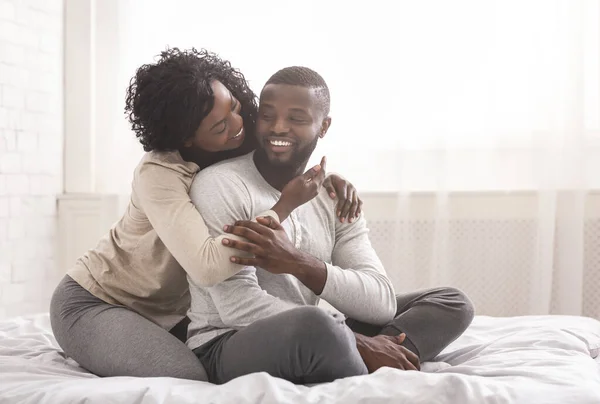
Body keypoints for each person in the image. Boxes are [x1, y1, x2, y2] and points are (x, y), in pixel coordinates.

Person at [49, 48, 363, 381]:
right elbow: (209, 266)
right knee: (187, 377)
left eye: (236, 108)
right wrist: (283, 207)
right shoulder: (158, 174)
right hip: (101, 302)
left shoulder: (234, 137)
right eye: (220, 126)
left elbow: (287, 151)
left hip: (172, 313)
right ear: (188, 136)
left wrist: (329, 180)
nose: (240, 125)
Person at [186, 66, 475, 385]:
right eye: (268, 116)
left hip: (309, 331)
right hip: (226, 342)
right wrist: (359, 341)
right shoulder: (221, 186)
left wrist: (298, 263)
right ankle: (367, 357)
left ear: (323, 126)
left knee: (452, 302)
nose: (278, 127)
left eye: (296, 118)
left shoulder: (334, 197)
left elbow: (380, 303)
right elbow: (237, 307)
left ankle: (371, 358)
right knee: (321, 328)